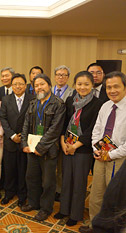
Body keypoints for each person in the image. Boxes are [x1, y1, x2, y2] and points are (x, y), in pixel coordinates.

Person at [53, 71, 102, 226]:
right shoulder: (70, 100)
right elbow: (63, 121)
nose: (82, 87)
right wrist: (62, 142)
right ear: (75, 85)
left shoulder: (97, 104)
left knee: (79, 182)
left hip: (83, 149)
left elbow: (92, 129)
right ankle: (64, 210)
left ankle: (75, 213)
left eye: (86, 84)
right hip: (67, 145)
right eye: (79, 84)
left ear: (92, 85)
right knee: (66, 179)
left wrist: (76, 145)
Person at [79, 71, 126, 233]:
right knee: (96, 195)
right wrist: (96, 148)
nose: (112, 90)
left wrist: (111, 154)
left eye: (116, 87)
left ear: (124, 88)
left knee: (115, 198)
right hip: (100, 157)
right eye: (108, 87)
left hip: (119, 160)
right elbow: (96, 130)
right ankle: (94, 225)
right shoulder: (105, 106)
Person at [21, 73, 65, 221]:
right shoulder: (33, 102)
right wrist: (24, 144)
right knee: (31, 178)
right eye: (36, 85)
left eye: (42, 84)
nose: (39, 87)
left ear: (49, 85)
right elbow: (26, 123)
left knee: (48, 182)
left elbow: (55, 129)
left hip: (48, 151)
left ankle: (46, 208)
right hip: (31, 149)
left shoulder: (58, 104)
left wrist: (40, 147)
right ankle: (33, 203)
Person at [0, 74, 34, 206]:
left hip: (26, 141)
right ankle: (8, 193)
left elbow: (33, 120)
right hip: (10, 140)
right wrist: (12, 135)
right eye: (15, 84)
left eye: (21, 84)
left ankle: (22, 195)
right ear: (11, 86)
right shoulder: (5, 99)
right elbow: (3, 119)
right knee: (9, 168)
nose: (18, 86)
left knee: (23, 169)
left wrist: (23, 137)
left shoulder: (32, 99)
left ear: (25, 86)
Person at [51, 65, 75, 202]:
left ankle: (59, 190)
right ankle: (48, 187)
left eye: (64, 75)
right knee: (49, 165)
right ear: (54, 76)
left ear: (68, 77)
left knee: (61, 166)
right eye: (58, 74)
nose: (61, 77)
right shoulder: (48, 91)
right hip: (49, 135)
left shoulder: (73, 93)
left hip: (64, 134)